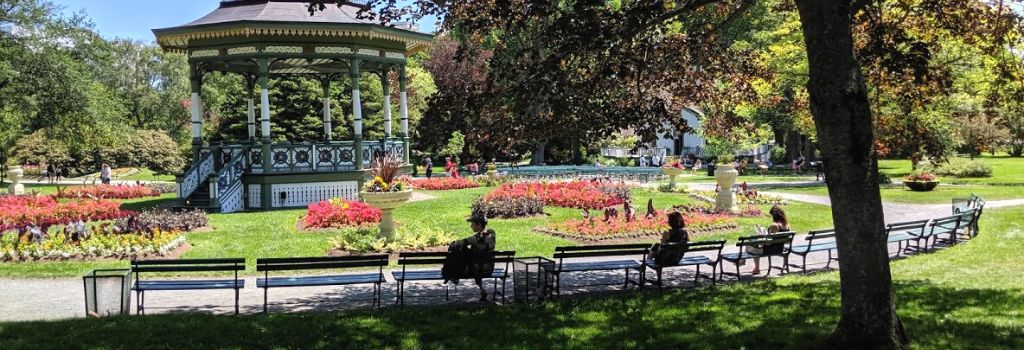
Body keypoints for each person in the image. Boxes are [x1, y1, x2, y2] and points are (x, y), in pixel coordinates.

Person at [442, 212, 497, 301]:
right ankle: (482, 290)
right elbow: (484, 237)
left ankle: (451, 275)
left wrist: (453, 245)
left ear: (479, 225)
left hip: (475, 271)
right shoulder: (492, 234)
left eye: (473, 224)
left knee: (460, 251)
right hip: (489, 269)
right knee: (469, 254)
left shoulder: (473, 239)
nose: (471, 226)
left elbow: (456, 244)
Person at [751, 205, 791, 275]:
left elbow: (768, 243)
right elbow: (788, 241)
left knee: (754, 246)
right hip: (781, 248)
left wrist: (762, 237)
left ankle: (756, 268)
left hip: (770, 250)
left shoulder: (774, 226)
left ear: (774, 215)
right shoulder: (787, 225)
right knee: (754, 245)